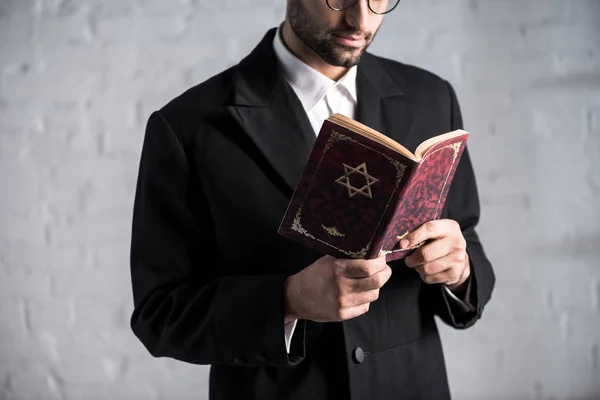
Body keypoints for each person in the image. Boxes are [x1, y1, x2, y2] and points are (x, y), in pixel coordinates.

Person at [129, 0, 496, 398]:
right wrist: (289, 301)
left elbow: (469, 241)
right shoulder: (187, 126)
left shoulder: (432, 98)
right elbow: (160, 314)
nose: (360, 19)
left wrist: (459, 271)